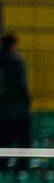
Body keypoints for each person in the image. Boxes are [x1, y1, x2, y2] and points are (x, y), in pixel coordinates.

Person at [0, 33, 31, 172]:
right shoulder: (17, 61)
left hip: (3, 112)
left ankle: (4, 172)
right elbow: (20, 86)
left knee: (4, 144)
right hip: (17, 111)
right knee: (23, 144)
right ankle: (20, 171)